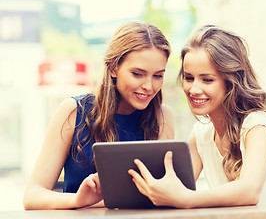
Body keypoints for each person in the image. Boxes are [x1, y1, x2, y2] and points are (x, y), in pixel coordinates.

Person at [128, 25, 266, 208]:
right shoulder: (200, 136)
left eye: (207, 80)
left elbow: (249, 191)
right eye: (189, 78)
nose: (194, 89)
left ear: (231, 81)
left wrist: (187, 199)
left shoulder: (258, 126)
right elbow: (169, 188)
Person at [23, 21, 175, 210]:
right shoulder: (73, 111)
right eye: (138, 74)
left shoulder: (163, 116)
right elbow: (32, 196)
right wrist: (77, 200)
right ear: (113, 68)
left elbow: (165, 195)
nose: (149, 86)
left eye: (158, 76)